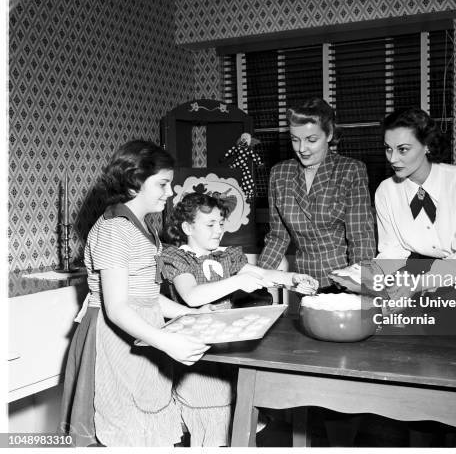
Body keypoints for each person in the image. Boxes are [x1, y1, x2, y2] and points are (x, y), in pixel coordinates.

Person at [59, 140, 211, 447]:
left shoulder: (141, 226)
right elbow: (116, 308)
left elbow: (147, 296)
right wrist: (167, 341)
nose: (170, 193)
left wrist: (191, 314)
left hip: (141, 333)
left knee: (146, 426)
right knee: (123, 430)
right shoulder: (115, 229)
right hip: (115, 339)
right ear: (135, 181)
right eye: (163, 184)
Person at [158, 191, 318, 446]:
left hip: (226, 347)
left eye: (221, 224)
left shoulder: (226, 255)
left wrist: (291, 279)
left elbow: (260, 273)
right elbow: (192, 296)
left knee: (236, 412)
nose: (218, 230)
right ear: (188, 227)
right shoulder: (178, 257)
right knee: (208, 412)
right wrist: (237, 281)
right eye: (210, 224)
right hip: (195, 352)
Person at [373, 107, 456, 335]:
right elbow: (391, 252)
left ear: (427, 145)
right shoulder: (386, 191)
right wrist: (372, 284)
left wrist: (414, 285)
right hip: (420, 267)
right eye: (388, 149)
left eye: (403, 149)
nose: (393, 159)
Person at [258, 97, 376, 289]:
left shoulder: (350, 170)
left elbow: (361, 237)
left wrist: (359, 285)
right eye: (295, 140)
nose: (301, 149)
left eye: (311, 140)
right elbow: (278, 237)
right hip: (304, 281)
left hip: (343, 279)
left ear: (329, 134)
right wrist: (260, 278)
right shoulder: (280, 174)